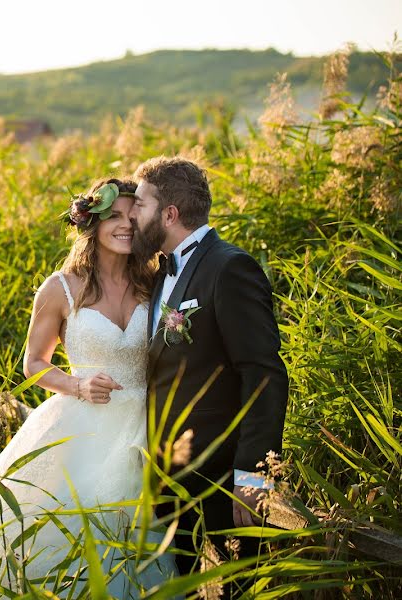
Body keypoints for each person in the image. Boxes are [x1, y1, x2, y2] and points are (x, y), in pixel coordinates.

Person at [0, 178, 179, 598]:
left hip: (146, 425)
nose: (126, 225)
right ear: (91, 223)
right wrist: (77, 384)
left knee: (138, 535)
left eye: (133, 216)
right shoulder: (61, 288)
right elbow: (34, 364)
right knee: (74, 529)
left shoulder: (156, 281)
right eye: (114, 216)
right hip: (83, 427)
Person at [127, 156, 289, 585]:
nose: (131, 214)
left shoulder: (229, 268)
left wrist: (255, 472)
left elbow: (264, 373)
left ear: (170, 214)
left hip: (221, 483)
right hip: (170, 481)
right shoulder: (159, 274)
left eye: (139, 205)